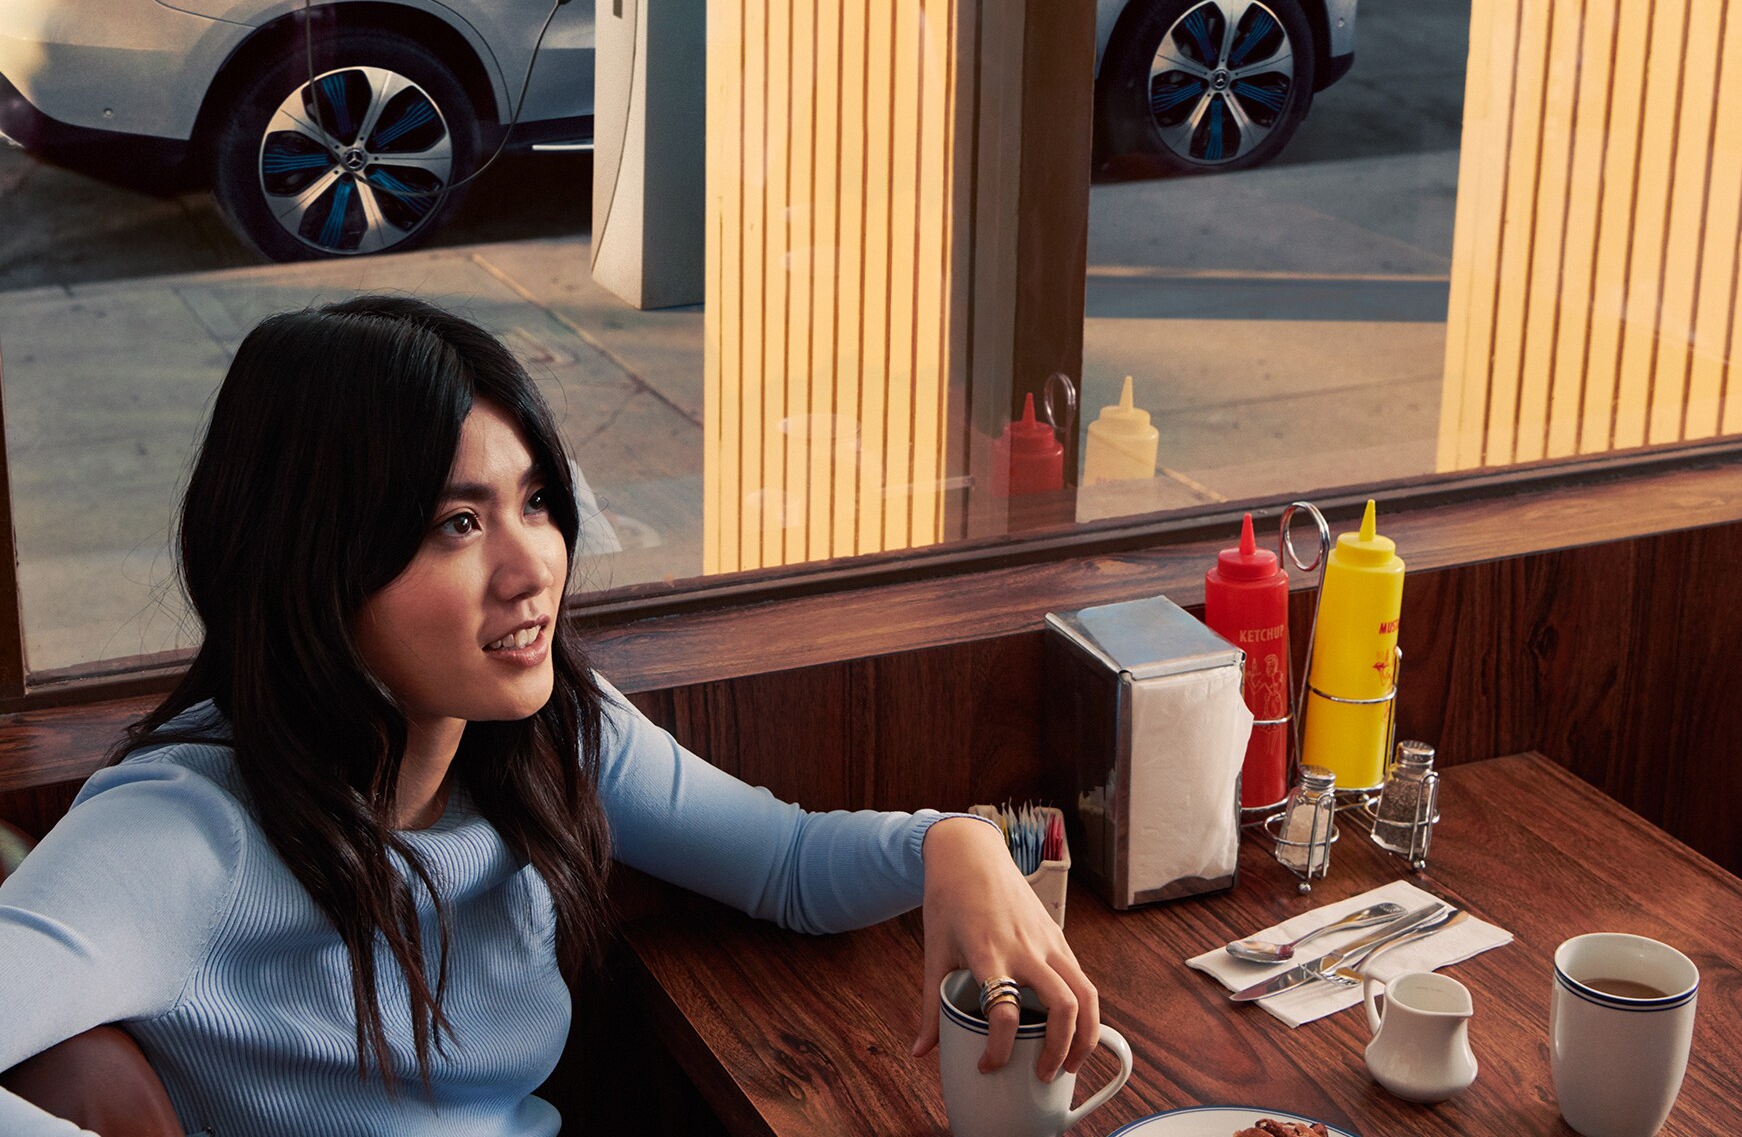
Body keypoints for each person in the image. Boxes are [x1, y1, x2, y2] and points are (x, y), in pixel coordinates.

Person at [0, 296, 1097, 1135]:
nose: (533, 567)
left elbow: (786, 865)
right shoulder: (184, 833)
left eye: (533, 502)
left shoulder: (547, 732)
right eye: (456, 523)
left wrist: (953, 847)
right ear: (312, 560)